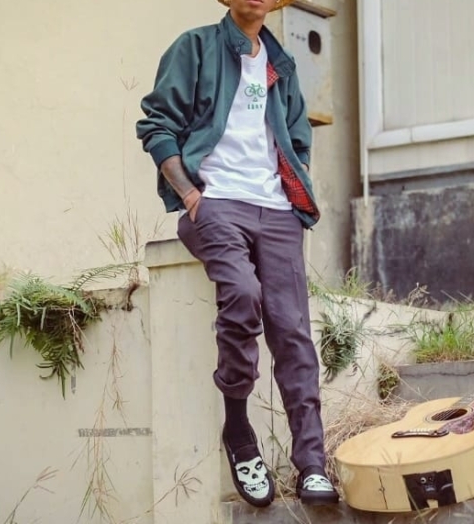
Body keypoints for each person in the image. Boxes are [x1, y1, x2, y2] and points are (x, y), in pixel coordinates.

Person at [136, 0, 339, 508]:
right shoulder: (195, 48)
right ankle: (238, 430)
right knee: (243, 294)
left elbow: (297, 140)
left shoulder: (282, 64)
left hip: (277, 211)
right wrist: (189, 194)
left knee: (292, 330)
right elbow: (156, 126)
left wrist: (292, 193)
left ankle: (312, 462)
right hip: (216, 203)